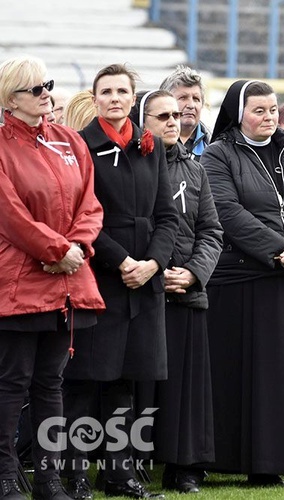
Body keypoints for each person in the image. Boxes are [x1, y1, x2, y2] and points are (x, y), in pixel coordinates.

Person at [201, 80, 284, 487]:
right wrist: (280, 251)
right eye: (259, 110)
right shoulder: (219, 156)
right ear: (239, 113)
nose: (269, 117)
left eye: (273, 109)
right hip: (241, 281)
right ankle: (230, 459)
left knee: (280, 378)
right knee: (239, 377)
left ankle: (270, 462)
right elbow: (228, 213)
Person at [62, 64, 179, 500]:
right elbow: (83, 216)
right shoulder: (81, 147)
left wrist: (152, 263)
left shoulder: (150, 147)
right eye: (106, 91)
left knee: (125, 384)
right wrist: (123, 261)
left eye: (122, 91)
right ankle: (72, 476)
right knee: (83, 382)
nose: (114, 98)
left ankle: (120, 475)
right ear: (94, 100)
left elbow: (167, 216)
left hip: (144, 283)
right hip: (101, 278)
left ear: (133, 99)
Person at [0, 56, 104, 500]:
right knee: (11, 383)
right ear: (11, 98)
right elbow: (10, 214)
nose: (47, 93)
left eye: (49, 85)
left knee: (50, 383)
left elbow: (90, 204)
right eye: (35, 88)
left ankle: (48, 478)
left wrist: (76, 248)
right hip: (22, 280)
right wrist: (58, 251)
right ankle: (5, 476)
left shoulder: (68, 141)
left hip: (66, 280)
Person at [130, 90, 223, 492]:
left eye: (178, 115)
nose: (174, 121)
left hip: (186, 291)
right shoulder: (129, 165)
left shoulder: (195, 169)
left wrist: (193, 273)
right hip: (141, 292)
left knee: (182, 388)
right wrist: (152, 271)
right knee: (138, 386)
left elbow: (212, 232)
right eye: (163, 115)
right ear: (142, 119)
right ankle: (130, 462)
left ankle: (183, 466)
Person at [160, 65, 210, 160]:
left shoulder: (213, 145)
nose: (191, 105)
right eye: (183, 98)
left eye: (196, 99)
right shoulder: (150, 143)